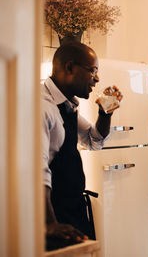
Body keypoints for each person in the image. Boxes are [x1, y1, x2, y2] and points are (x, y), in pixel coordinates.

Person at [42, 42, 122, 243]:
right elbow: (35, 171)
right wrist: (49, 223)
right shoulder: (43, 108)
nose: (97, 78)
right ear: (70, 67)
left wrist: (105, 112)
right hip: (55, 214)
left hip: (73, 208)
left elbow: (94, 141)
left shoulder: (66, 104)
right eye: (92, 71)